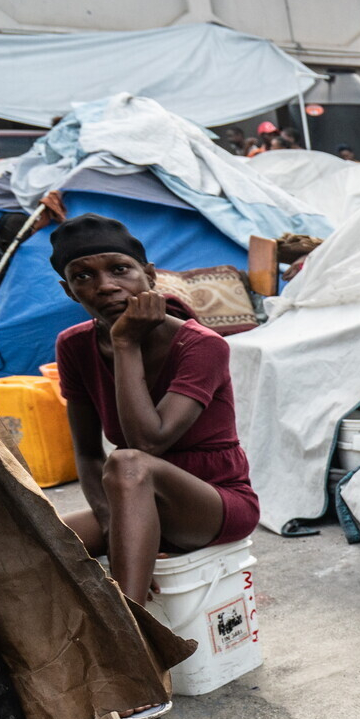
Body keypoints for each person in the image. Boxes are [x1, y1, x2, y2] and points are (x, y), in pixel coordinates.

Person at [50, 214, 260, 633]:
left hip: (213, 502)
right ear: (68, 291)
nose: (105, 285)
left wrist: (125, 342)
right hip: (132, 500)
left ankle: (133, 640)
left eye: (120, 269)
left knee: (129, 463)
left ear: (149, 275)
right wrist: (110, 523)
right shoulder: (74, 345)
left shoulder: (201, 345)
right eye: (83, 276)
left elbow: (148, 444)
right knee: (33, 538)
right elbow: (89, 453)